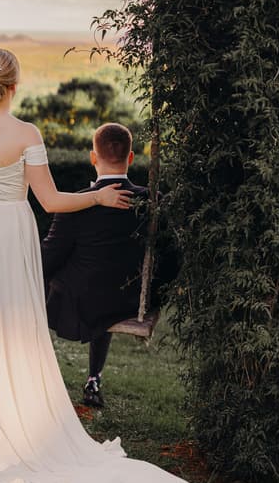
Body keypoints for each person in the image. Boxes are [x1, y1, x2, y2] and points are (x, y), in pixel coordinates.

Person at [0, 48, 207, 483]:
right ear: (14, 85)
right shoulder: (26, 133)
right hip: (10, 228)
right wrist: (98, 200)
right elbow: (49, 202)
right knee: (10, 321)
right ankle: (8, 411)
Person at [42, 123, 181, 408]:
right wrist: (154, 295)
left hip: (83, 302)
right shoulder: (151, 201)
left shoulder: (76, 204)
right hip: (127, 301)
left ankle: (32, 371)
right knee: (98, 282)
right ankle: (93, 378)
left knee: (49, 277)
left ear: (93, 158)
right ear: (131, 158)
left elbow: (47, 261)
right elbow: (173, 257)